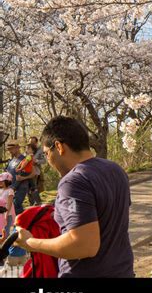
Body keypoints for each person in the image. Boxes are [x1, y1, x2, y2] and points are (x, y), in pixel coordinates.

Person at [14, 116, 134, 278]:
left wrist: (31, 242)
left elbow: (84, 245)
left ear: (59, 146)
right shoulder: (116, 170)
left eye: (47, 153)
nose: (48, 160)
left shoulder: (73, 181)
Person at [5, 140, 29, 215]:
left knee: (15, 206)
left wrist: (13, 188)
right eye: (8, 149)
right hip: (11, 188)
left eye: (11, 149)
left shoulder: (24, 160)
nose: (9, 151)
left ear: (17, 148)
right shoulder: (11, 161)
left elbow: (22, 175)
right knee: (15, 208)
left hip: (20, 188)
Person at [28, 136, 46, 205]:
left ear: (36, 143)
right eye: (30, 142)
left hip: (36, 172)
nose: (31, 143)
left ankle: (38, 203)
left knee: (34, 188)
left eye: (33, 142)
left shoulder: (40, 150)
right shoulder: (27, 149)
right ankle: (31, 204)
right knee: (28, 189)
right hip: (27, 173)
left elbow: (44, 160)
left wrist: (36, 161)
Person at [0, 172, 15, 238]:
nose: (0, 182)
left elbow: (9, 203)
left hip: (8, 214)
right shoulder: (0, 190)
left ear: (7, 181)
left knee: (6, 231)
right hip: (1, 213)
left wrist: (6, 214)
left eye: (2, 181)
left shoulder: (10, 191)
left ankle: (7, 246)